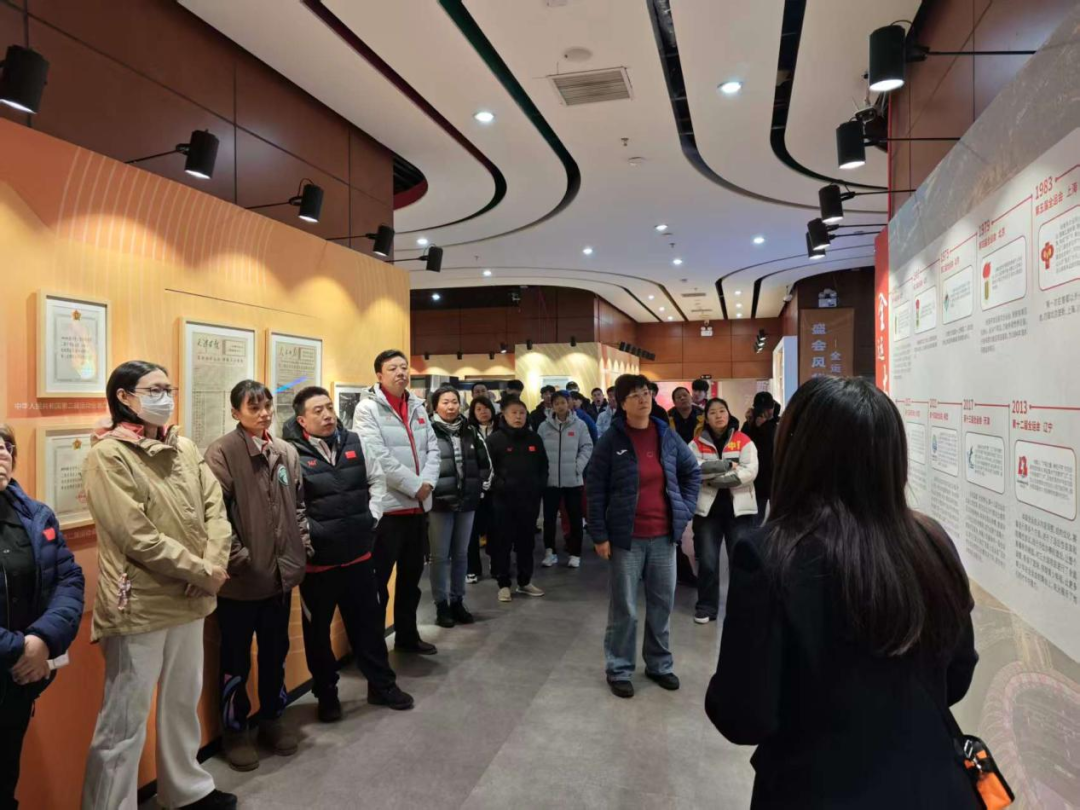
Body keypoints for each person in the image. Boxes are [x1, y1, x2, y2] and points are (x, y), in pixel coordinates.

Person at [706, 377, 979, 809]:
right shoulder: (931, 540)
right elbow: (958, 673)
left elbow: (743, 715)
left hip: (814, 789)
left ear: (797, 450)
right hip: (935, 785)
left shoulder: (769, 554)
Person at [81, 361, 236, 810]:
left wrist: (212, 565)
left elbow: (215, 509)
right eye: (154, 389)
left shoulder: (183, 446)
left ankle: (186, 790)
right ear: (124, 397)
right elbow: (135, 535)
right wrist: (200, 571)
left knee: (182, 700)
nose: (165, 397)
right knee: (124, 719)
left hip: (191, 595)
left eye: (168, 388)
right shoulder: (108, 456)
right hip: (140, 602)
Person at [283, 386, 414, 722]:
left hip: (359, 558)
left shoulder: (355, 442)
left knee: (369, 628)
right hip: (318, 565)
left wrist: (373, 515)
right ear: (302, 420)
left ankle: (382, 686)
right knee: (318, 635)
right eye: (318, 411)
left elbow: (377, 480)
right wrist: (311, 533)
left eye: (329, 407)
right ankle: (327, 695)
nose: (328, 415)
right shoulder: (291, 454)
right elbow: (289, 503)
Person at [203, 381, 311, 771]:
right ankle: (235, 732)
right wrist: (239, 558)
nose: (264, 414)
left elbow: (298, 507)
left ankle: (272, 719)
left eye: (267, 406)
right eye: (254, 408)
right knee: (235, 660)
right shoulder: (222, 453)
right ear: (235, 413)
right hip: (241, 581)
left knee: (275, 653)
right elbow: (214, 516)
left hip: (280, 579)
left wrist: (302, 546)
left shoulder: (285, 451)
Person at [587, 374, 701, 699]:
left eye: (646, 393)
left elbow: (691, 472)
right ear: (621, 403)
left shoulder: (665, 435)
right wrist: (599, 534)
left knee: (662, 604)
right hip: (627, 539)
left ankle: (659, 665)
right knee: (625, 608)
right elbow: (594, 489)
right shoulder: (612, 440)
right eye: (635, 395)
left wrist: (684, 509)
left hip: (664, 537)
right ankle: (619, 668)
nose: (643, 399)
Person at [0, 424, 84, 808]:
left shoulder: (35, 516)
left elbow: (68, 579)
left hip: (16, 684)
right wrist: (19, 649)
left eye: (6, 446)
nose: (2, 453)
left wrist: (42, 640)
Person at [354, 349, 441, 655]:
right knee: (378, 583)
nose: (401, 372)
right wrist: (416, 486)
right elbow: (376, 456)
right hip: (389, 511)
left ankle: (407, 635)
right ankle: (373, 646)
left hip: (417, 510)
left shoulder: (416, 405)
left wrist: (427, 484)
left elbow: (433, 449)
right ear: (379, 375)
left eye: (404, 367)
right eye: (393, 368)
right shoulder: (367, 409)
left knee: (411, 580)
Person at [689, 398, 758, 624]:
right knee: (707, 561)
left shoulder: (743, 440)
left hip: (740, 512)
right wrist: (728, 466)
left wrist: (717, 479)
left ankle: (741, 608)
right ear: (706, 418)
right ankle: (706, 606)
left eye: (722, 411)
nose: (718, 415)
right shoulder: (696, 444)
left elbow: (750, 471)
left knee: (740, 561)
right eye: (713, 412)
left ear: (728, 413)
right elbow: (695, 469)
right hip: (707, 512)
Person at [429, 386, 491, 628]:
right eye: (445, 402)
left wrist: (479, 488)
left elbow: (486, 464)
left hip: (467, 502)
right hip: (439, 503)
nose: (451, 406)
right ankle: (441, 604)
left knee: (461, 554)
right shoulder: (427, 431)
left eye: (454, 401)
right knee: (439, 556)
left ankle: (457, 600)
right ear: (436, 406)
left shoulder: (470, 431)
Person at [485, 398, 548, 602]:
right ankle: (503, 584)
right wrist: (500, 486)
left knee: (526, 543)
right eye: (514, 412)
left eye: (521, 413)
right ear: (504, 414)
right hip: (502, 502)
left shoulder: (534, 439)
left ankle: (524, 581)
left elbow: (543, 466)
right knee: (502, 543)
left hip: (529, 501)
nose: (518, 416)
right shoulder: (494, 440)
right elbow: (487, 469)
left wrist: (538, 486)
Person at [537, 391, 593, 569]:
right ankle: (550, 552)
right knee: (549, 519)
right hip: (550, 481)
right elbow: (538, 451)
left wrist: (578, 466)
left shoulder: (580, 424)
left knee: (575, 517)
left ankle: (575, 553)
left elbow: (587, 446)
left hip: (573, 481)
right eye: (556, 403)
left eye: (563, 402)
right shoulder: (544, 427)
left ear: (568, 403)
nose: (560, 406)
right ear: (552, 406)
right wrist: (543, 471)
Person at [466, 396, 498, 583]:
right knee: (471, 530)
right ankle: (472, 568)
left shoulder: (501, 430)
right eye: (478, 409)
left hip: (497, 489)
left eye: (486, 408)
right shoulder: (468, 432)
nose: (483, 412)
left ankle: (496, 562)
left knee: (495, 528)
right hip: (475, 488)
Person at [742, 391, 780, 525]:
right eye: (762, 409)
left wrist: (766, 425)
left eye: (768, 408)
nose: (766, 412)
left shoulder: (776, 425)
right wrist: (754, 426)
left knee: (778, 516)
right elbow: (744, 445)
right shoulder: (748, 425)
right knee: (756, 517)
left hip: (775, 476)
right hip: (757, 477)